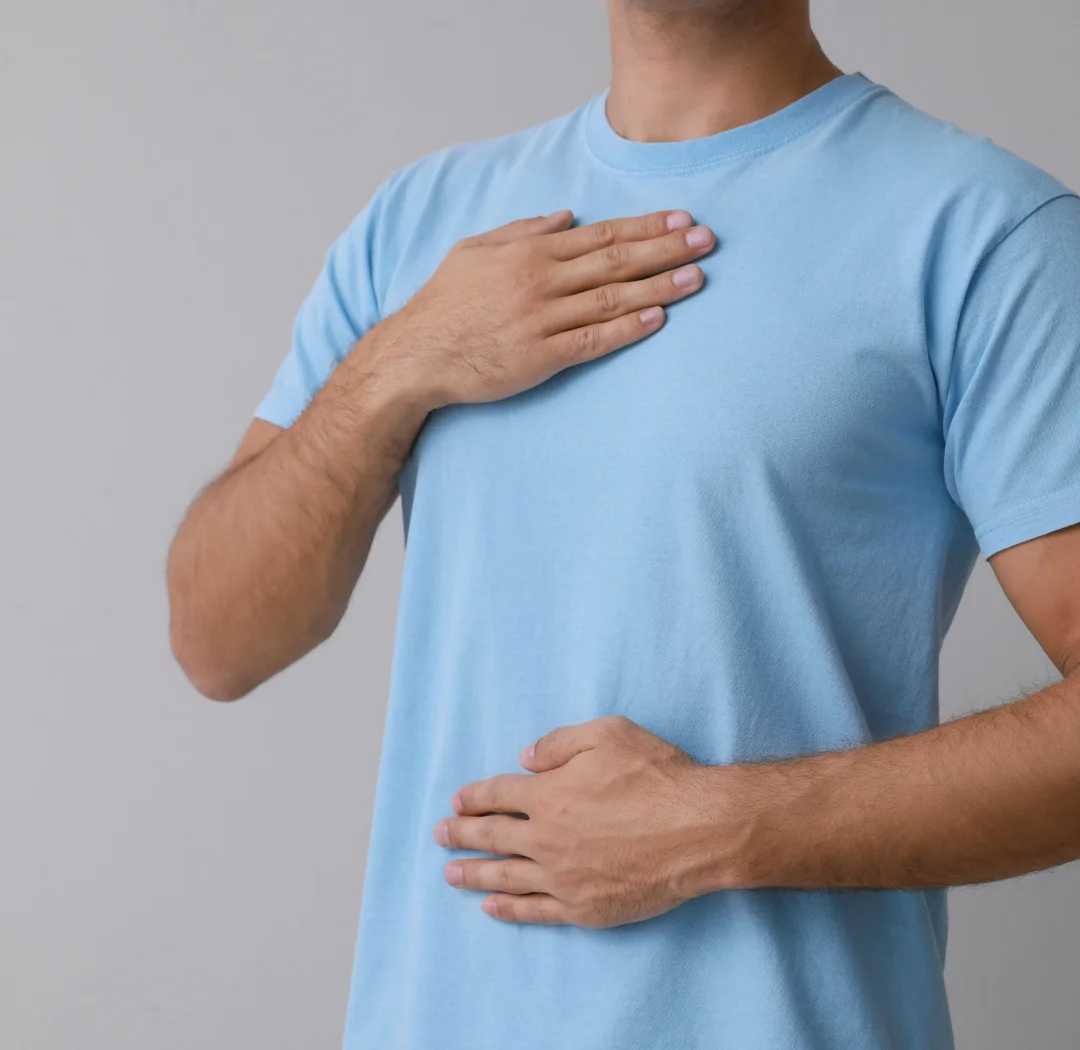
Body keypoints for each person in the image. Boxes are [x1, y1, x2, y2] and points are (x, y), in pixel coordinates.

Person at [166, 1, 1080, 1047]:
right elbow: (217, 640)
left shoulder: (987, 233)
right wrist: (399, 364)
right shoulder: (420, 224)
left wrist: (720, 827)